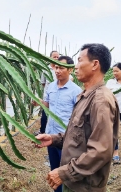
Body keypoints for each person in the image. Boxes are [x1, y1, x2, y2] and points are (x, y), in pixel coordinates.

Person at [34, 43, 120, 192]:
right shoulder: (86, 96)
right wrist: (54, 139)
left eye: (80, 60)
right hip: (75, 182)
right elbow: (79, 135)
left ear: (94, 64)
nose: (76, 66)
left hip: (84, 186)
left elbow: (101, 151)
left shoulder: (100, 100)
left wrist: (65, 172)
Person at [33, 56, 82, 192]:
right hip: (51, 136)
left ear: (70, 70)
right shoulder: (51, 87)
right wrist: (39, 102)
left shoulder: (76, 91)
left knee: (66, 173)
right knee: (54, 171)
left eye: (61, 67)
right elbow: (48, 105)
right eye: (56, 67)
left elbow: (78, 116)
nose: (57, 70)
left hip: (66, 137)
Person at [37, 50, 60, 134]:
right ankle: (42, 131)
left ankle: (55, 133)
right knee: (44, 116)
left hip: (58, 97)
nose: (56, 58)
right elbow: (43, 83)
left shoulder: (60, 68)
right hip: (47, 98)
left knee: (56, 116)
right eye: (54, 57)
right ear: (50, 58)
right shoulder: (45, 69)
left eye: (58, 57)